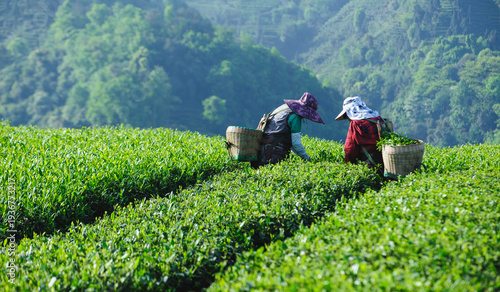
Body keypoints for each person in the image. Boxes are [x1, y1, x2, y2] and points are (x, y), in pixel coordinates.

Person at [250, 92, 324, 169]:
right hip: (273, 155)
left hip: (259, 151)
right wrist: (308, 159)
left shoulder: (283, 108)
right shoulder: (295, 117)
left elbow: (290, 142)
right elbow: (296, 143)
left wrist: (301, 156)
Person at [335, 96, 384, 175]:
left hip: (371, 162)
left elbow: (350, 149)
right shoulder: (379, 119)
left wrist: (349, 166)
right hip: (387, 159)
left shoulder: (356, 124)